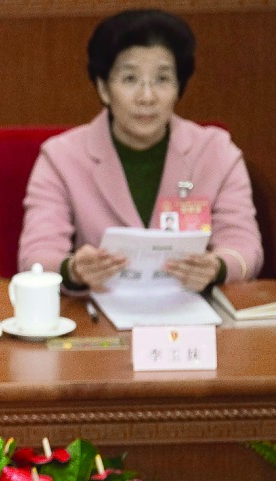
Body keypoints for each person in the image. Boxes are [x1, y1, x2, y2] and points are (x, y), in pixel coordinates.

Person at [18, 8, 262, 292]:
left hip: (191, 308)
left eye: (162, 79)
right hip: (97, 309)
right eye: (130, 79)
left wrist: (216, 267)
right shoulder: (61, 158)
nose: (147, 97)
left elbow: (245, 248)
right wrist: (74, 269)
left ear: (178, 87)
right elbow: (35, 256)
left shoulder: (217, 152)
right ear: (104, 88)